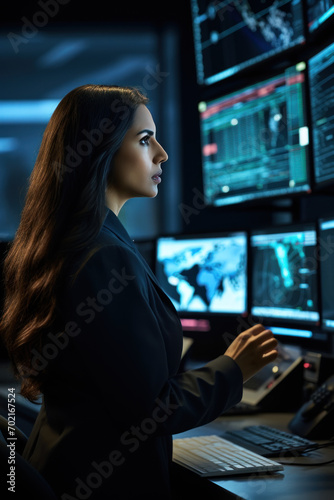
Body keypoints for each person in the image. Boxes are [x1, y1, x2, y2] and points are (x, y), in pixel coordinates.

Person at [0, 84, 278, 499]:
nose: (162, 153)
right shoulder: (103, 257)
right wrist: (233, 367)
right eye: (145, 140)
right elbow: (151, 409)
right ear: (101, 150)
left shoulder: (74, 242)